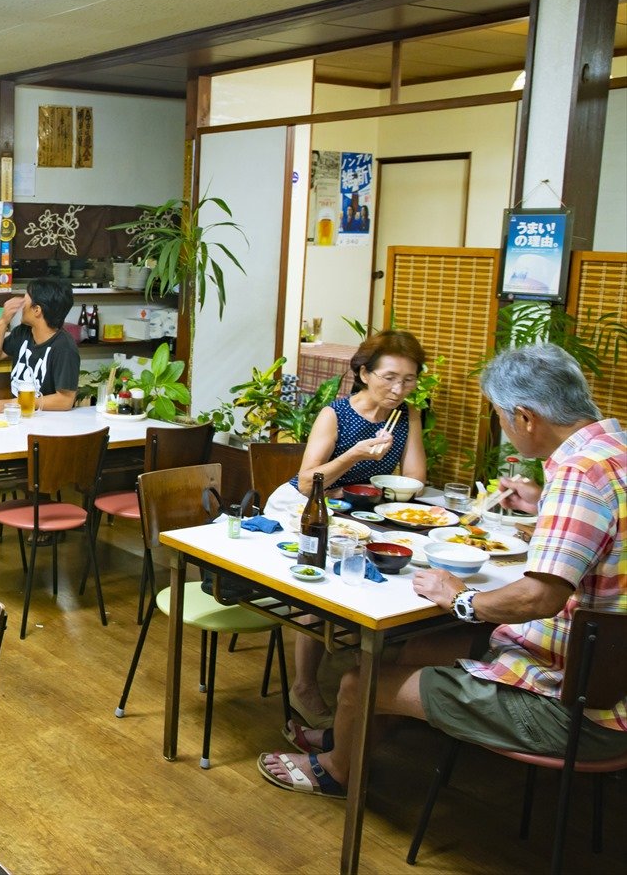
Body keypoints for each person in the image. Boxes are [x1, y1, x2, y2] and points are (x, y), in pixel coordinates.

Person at [258, 344, 627, 799]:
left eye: (501, 417)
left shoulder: (578, 475)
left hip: (579, 707)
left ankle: (336, 772)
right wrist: (541, 506)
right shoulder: (614, 450)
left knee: (360, 681)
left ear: (526, 417)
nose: (506, 430)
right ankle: (346, 743)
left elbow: (538, 599)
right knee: (412, 647)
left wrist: (460, 597)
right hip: (596, 673)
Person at [276, 329, 431, 726]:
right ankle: (304, 686)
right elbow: (308, 480)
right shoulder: (336, 413)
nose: (399, 389)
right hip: (305, 508)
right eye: (390, 377)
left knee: (404, 570)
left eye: (409, 379)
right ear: (364, 373)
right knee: (317, 580)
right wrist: (355, 454)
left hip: (359, 513)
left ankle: (377, 682)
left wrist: (387, 492)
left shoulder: (408, 415)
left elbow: (414, 477)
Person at [0, 275, 80, 413]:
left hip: (48, 425)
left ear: (37, 310)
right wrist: (3, 321)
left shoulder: (64, 347)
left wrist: (18, 403)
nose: (21, 306)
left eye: (25, 300)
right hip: (19, 419)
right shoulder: (23, 332)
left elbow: (65, 400)